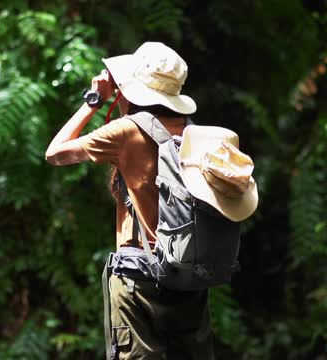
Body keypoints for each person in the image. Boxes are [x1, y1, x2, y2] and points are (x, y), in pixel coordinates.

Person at [45, 42, 215, 360]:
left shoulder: (126, 131)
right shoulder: (194, 134)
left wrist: (95, 100)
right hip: (190, 278)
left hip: (137, 279)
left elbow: (55, 153)